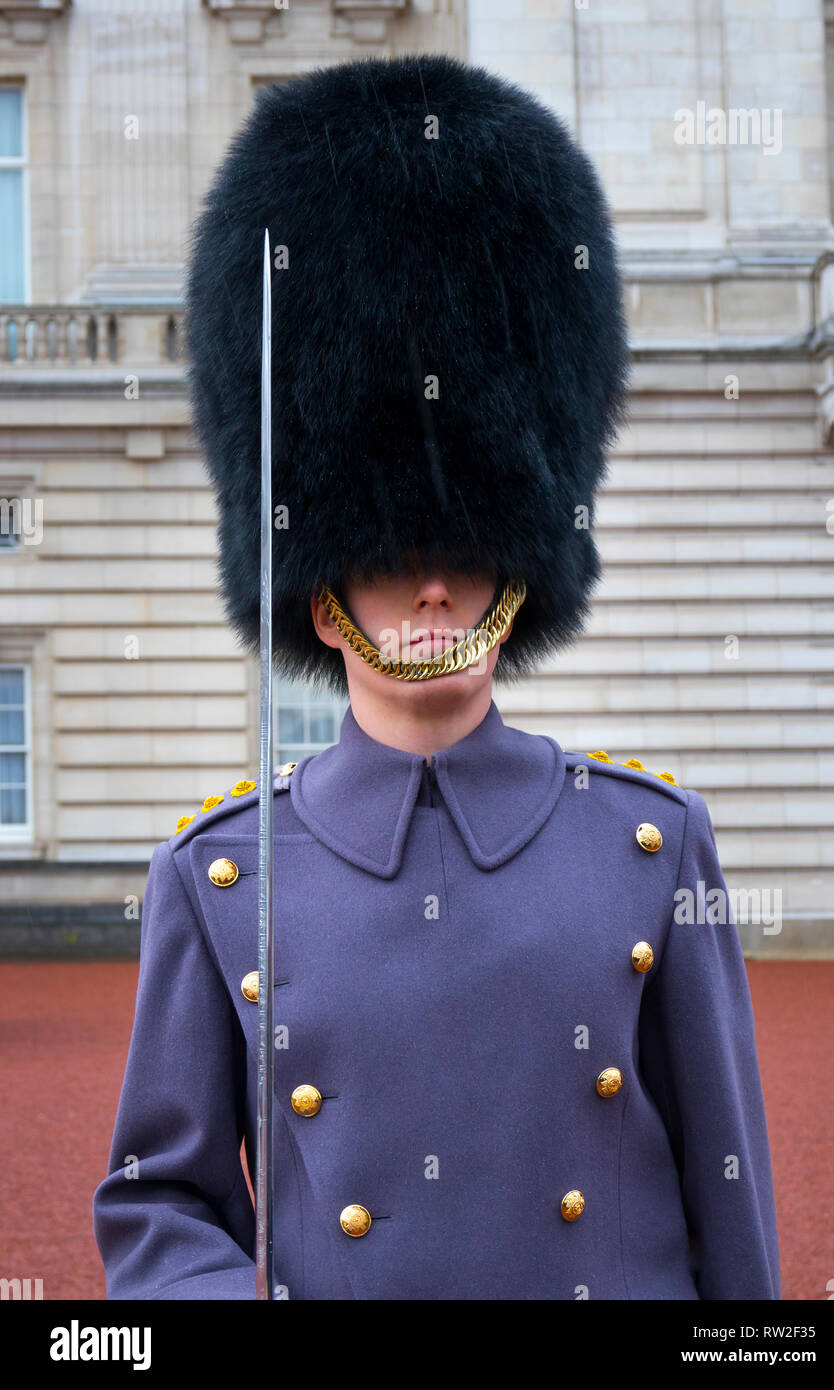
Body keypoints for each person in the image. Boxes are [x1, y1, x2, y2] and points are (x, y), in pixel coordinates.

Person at [92, 53, 781, 1300]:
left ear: (518, 559)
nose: (427, 589)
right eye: (386, 551)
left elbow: (728, 1208)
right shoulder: (217, 881)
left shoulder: (653, 847)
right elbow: (161, 1203)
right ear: (320, 582)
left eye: (462, 548)